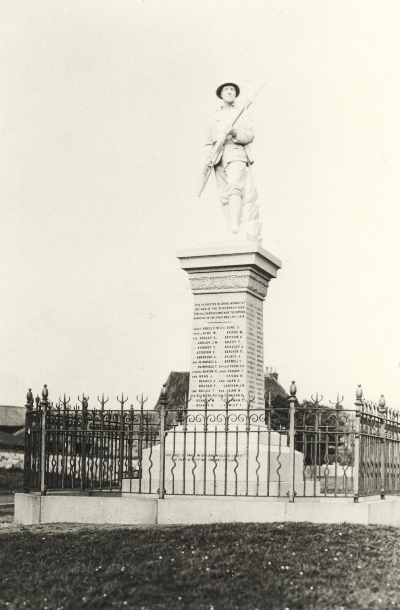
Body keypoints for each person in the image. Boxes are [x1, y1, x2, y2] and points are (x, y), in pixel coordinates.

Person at [206, 81, 260, 239]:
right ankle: (229, 226)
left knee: (235, 187)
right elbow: (208, 139)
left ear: (235, 94)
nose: (229, 92)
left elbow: (250, 135)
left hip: (236, 152)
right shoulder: (215, 115)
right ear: (221, 94)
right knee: (223, 194)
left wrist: (235, 132)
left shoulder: (243, 112)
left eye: (232, 90)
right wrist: (209, 155)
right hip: (218, 156)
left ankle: (235, 225)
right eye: (226, 89)